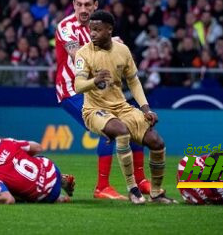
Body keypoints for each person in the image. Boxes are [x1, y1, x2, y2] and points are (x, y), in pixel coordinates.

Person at [54, 0, 149, 200]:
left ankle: (142, 181)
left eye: (87, 4)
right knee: (110, 126)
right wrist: (110, 41)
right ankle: (102, 187)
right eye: (78, 5)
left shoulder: (103, 26)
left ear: (95, 5)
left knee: (132, 122)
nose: (83, 9)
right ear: (73, 5)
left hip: (100, 90)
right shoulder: (66, 26)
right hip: (72, 91)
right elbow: (76, 53)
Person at [73, 10, 176, 204]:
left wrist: (146, 109)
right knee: (121, 132)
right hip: (94, 109)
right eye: (90, 29)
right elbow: (78, 86)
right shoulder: (83, 53)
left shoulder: (123, 50)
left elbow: (134, 82)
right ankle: (133, 189)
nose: (92, 33)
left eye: (97, 29)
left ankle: (155, 192)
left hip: (121, 107)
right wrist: (94, 81)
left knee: (157, 142)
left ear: (109, 30)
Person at [0, 132, 75, 204]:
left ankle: (58, 198)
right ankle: (61, 179)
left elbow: (8, 199)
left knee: (11, 191)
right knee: (36, 158)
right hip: (52, 170)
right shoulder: (3, 143)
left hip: (46, 195)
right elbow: (38, 148)